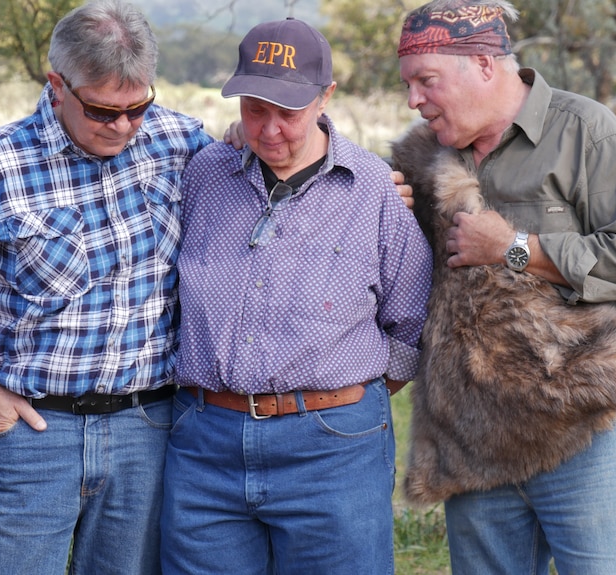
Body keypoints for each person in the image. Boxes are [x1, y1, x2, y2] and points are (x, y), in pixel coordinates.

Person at [0, 1, 214, 573]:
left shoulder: (182, 143)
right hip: (35, 434)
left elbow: (267, 175)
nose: (122, 126)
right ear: (56, 86)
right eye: (102, 110)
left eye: (137, 107)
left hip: (151, 430)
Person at [394, 1, 616, 574]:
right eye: (409, 84)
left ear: (485, 66)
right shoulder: (423, 155)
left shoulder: (584, 131)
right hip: (471, 440)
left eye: (427, 81)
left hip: (580, 431)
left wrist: (516, 248)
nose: (414, 100)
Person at [159, 17, 433, 575]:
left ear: (325, 97)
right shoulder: (203, 175)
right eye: (255, 110)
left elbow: (410, 323)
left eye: (288, 112)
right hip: (205, 443)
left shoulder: (374, 188)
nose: (270, 129)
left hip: (334, 449)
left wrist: (336, 400)